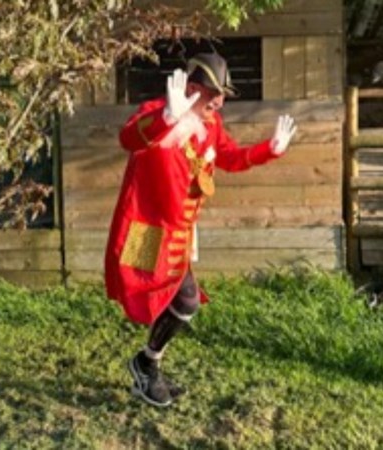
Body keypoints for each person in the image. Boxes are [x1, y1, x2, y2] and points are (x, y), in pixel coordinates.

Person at [104, 52, 297, 407]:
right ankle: (146, 365)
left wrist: (269, 150)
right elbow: (129, 139)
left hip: (180, 232)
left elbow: (230, 158)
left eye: (222, 96)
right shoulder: (156, 110)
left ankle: (146, 365)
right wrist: (166, 117)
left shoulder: (211, 125)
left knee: (179, 300)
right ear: (192, 88)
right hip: (146, 231)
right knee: (154, 294)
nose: (219, 102)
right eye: (212, 94)